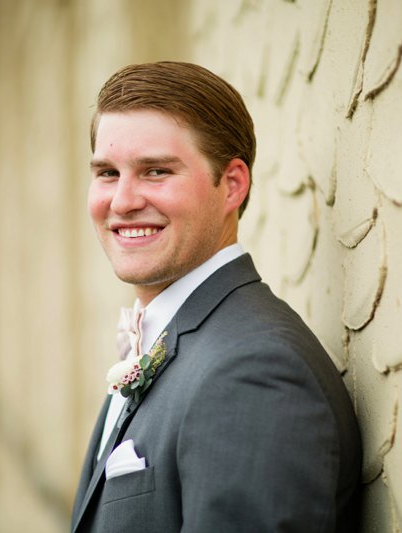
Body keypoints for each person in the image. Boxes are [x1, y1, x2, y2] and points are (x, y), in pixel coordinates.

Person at [71, 61, 361, 533]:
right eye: (107, 172)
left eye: (156, 171)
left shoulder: (254, 370)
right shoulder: (177, 339)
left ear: (232, 185)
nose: (121, 201)